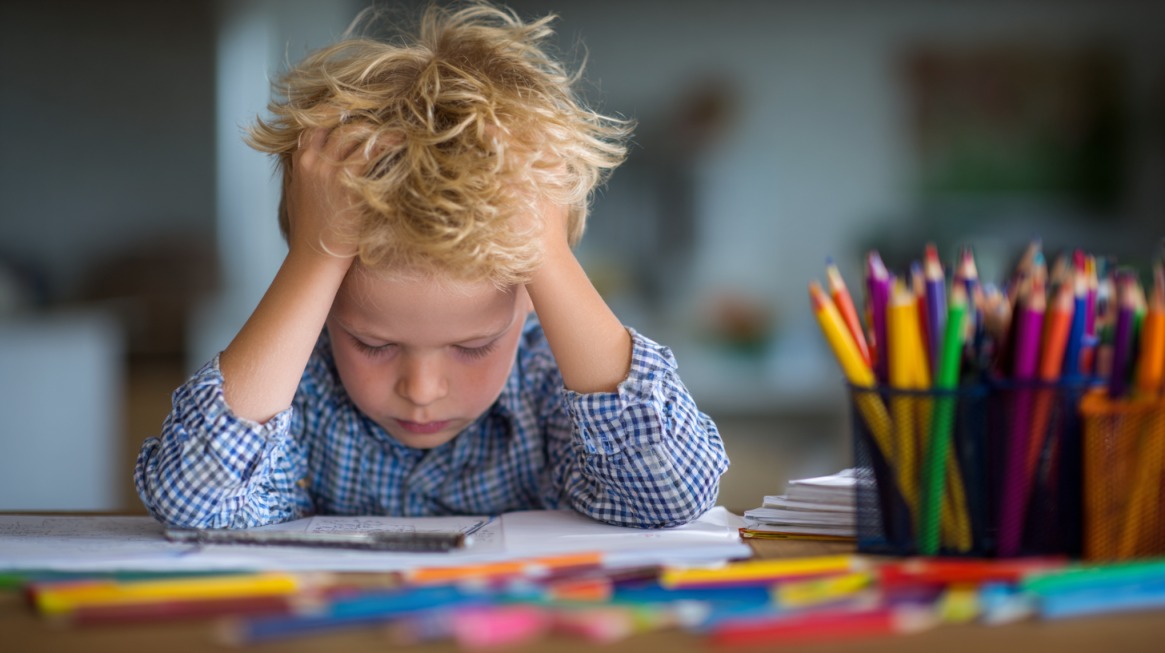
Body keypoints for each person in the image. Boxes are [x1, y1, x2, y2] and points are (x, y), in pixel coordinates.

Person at [135, 1, 728, 530]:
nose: (421, 391)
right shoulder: (302, 392)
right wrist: (317, 256)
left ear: (533, 297)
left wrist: (545, 254)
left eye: (472, 346)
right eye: (371, 343)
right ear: (325, 301)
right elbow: (193, 503)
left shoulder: (549, 386)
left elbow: (672, 491)